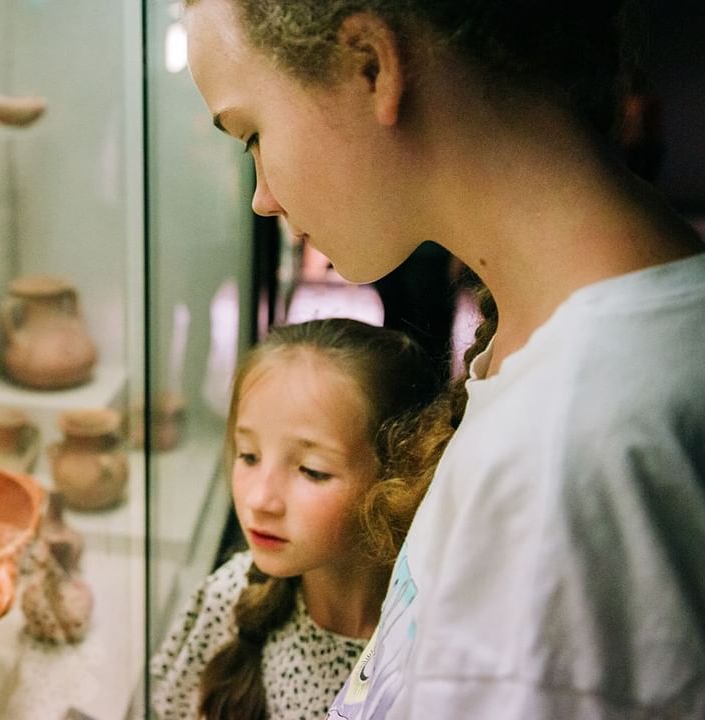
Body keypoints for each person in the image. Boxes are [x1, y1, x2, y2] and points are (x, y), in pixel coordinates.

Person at [182, 1, 705, 718]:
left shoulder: (571, 444)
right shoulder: (552, 356)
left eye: (253, 134)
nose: (261, 197)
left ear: (371, 65)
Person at [150, 318, 441, 720]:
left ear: (399, 478)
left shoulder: (435, 651)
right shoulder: (227, 599)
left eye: (312, 470)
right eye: (248, 455)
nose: (260, 499)